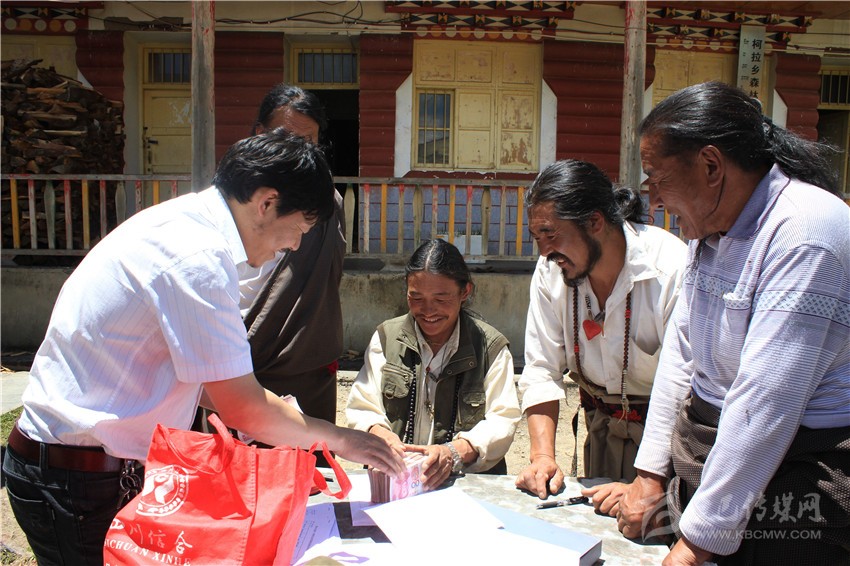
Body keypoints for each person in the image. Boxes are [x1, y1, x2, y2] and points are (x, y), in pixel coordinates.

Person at [2, 130, 404, 565]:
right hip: (75, 479)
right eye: (299, 228)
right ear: (266, 203)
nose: (294, 245)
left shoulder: (185, 225)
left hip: (88, 469)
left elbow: (214, 382)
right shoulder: (198, 258)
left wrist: (278, 416)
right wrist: (340, 438)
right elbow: (244, 410)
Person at [617, 81, 850, 566]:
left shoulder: (805, 232)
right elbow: (682, 352)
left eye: (657, 178)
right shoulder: (710, 229)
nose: (652, 199)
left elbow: (767, 400)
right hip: (716, 458)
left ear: (710, 166)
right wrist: (651, 473)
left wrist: (696, 543)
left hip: (795, 471)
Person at [514, 159, 688, 512]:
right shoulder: (552, 270)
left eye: (551, 234)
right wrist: (542, 456)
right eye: (537, 237)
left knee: (656, 523)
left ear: (595, 222)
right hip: (601, 429)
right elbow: (542, 368)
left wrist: (650, 481)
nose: (544, 251)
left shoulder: (671, 268)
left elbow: (685, 385)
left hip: (670, 443)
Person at [346, 238, 521, 490]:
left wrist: (454, 452)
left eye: (441, 299)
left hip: (465, 486)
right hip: (396, 483)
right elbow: (363, 406)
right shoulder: (386, 338)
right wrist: (380, 436)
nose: (428, 311)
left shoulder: (491, 348)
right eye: (416, 297)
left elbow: (503, 420)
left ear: (465, 292)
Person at [244, 83, 345, 427]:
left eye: (308, 143)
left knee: (310, 456)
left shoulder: (326, 205)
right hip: (236, 363)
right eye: (286, 139)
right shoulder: (236, 199)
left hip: (303, 365)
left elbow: (325, 282)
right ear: (260, 134)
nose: (297, 154)